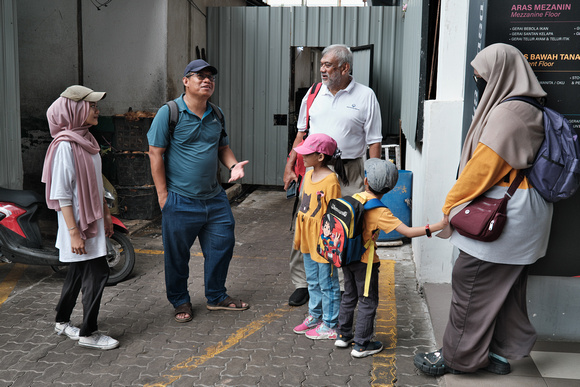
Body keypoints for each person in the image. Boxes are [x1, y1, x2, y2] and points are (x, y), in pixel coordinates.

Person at [414, 43, 553, 375]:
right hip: (524, 215)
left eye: (481, 76)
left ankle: (458, 357)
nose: (478, 81)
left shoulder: (508, 115)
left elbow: (481, 171)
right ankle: (499, 353)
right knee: (502, 289)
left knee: (470, 280)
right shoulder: (527, 108)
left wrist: (449, 208)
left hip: (505, 216)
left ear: (499, 75)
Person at [148, 59, 250, 323]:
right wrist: (162, 196)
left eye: (211, 77)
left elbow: (222, 147)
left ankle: (216, 296)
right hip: (180, 198)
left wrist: (233, 165)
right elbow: (155, 154)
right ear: (185, 81)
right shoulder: (169, 113)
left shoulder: (216, 113)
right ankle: (180, 300)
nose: (207, 81)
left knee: (222, 245)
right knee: (177, 256)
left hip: (214, 198)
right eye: (199, 76)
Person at [284, 44, 383, 306]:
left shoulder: (365, 96)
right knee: (305, 222)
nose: (323, 69)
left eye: (328, 65)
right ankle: (303, 283)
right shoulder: (314, 93)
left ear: (345, 67)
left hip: (349, 171)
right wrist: (290, 165)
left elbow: (374, 142)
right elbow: (301, 134)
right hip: (314, 170)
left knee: (345, 228)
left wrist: (372, 181)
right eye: (322, 65)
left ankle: (340, 284)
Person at [336, 158, 447, 358]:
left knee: (349, 296)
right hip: (365, 263)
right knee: (368, 301)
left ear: (367, 181)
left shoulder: (357, 197)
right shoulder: (381, 211)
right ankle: (361, 345)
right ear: (389, 189)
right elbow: (409, 232)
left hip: (346, 257)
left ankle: (343, 335)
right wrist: (437, 226)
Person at [42, 85, 119, 350]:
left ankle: (62, 321)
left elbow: (97, 184)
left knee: (77, 271)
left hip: (93, 217)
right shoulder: (66, 146)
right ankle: (89, 333)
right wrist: (74, 231)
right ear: (75, 109)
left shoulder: (87, 140)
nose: (97, 110)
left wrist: (107, 214)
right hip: (77, 222)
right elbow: (61, 193)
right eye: (92, 105)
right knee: (98, 271)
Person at [291, 133, 349, 340]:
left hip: (323, 241)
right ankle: (315, 315)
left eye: (307, 153)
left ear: (321, 156)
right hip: (308, 238)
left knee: (328, 283)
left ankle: (331, 324)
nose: (303, 156)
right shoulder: (307, 175)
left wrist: (330, 244)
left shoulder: (331, 180)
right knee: (312, 281)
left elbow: (334, 216)